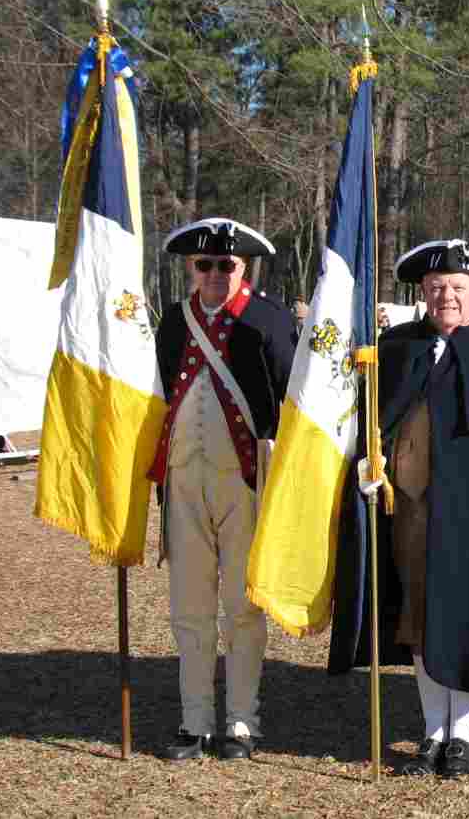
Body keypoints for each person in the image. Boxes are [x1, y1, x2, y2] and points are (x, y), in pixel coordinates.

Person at [328, 239, 469, 779]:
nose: (446, 296)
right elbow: (367, 422)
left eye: (458, 287)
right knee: (419, 618)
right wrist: (366, 463)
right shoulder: (396, 348)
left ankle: (463, 734)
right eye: (436, 288)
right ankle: (433, 732)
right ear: (422, 294)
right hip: (409, 510)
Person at [148, 217, 297, 761]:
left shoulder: (268, 319)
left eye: (225, 265)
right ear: (193, 268)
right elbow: (160, 389)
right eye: (204, 265)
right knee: (188, 606)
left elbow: (292, 399)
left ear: (244, 268)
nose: (214, 274)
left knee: (241, 605)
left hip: (246, 480)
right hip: (183, 480)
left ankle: (240, 721)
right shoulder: (173, 321)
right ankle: (193, 722)